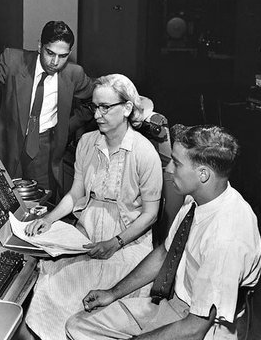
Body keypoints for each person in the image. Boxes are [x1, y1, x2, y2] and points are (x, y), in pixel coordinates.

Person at [66, 124, 261, 340]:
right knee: (77, 325)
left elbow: (194, 330)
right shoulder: (197, 199)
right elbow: (164, 253)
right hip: (176, 306)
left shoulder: (226, 238)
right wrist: (112, 293)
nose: (168, 169)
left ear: (203, 174)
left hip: (206, 329)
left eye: (176, 164)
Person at [22, 74, 163, 340]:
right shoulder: (87, 143)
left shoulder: (145, 153)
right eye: (95, 106)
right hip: (87, 232)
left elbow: (150, 214)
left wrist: (116, 242)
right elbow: (76, 192)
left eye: (105, 107)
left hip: (128, 241)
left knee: (77, 293)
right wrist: (50, 219)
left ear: (127, 109)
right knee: (47, 277)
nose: (97, 114)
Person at [0, 21, 95, 196]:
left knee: (43, 203)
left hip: (46, 150)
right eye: (50, 53)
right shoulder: (13, 60)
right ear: (39, 46)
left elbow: (95, 100)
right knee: (4, 200)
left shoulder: (75, 73)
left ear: (70, 53)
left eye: (63, 56)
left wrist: (68, 126)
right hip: (9, 144)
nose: (55, 62)